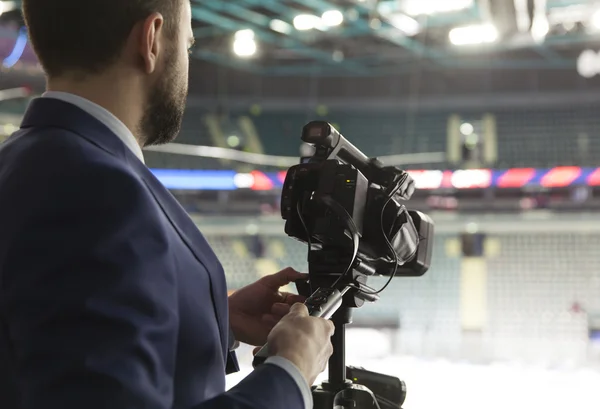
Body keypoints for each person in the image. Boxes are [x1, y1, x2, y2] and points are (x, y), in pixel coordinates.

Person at [0, 1, 335, 409]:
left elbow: (47, 337)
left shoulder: (27, 160)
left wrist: (211, 320)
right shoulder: (100, 191)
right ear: (152, 39)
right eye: (188, 46)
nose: (187, 63)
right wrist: (290, 373)